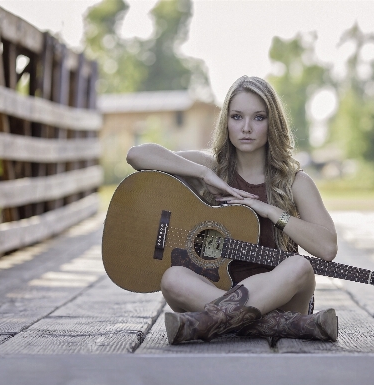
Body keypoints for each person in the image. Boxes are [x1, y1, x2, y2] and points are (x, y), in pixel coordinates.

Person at [126, 76, 338, 345]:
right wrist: (203, 173)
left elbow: (328, 248)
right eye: (237, 117)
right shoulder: (212, 169)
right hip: (217, 291)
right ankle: (281, 326)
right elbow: (137, 155)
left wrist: (272, 212)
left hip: (284, 299)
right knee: (172, 278)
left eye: (258, 118)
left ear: (272, 123)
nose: (246, 128)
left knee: (299, 266)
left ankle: (211, 322)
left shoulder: (295, 181)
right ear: (225, 121)